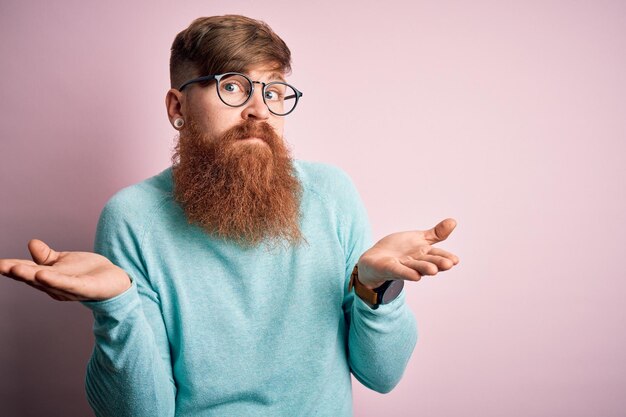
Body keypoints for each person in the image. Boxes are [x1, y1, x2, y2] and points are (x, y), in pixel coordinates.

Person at [0, 14, 459, 417]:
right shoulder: (132, 217)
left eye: (274, 89)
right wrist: (117, 307)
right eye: (233, 86)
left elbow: (382, 375)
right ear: (177, 107)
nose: (259, 109)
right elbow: (142, 412)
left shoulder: (331, 194)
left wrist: (377, 289)